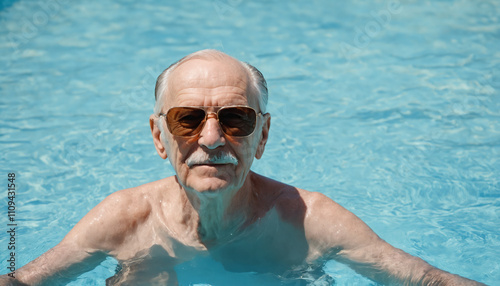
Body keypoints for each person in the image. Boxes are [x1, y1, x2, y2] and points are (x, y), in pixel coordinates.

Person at [1, 49, 485, 286]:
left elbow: (426, 281)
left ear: (263, 134)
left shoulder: (308, 222)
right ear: (158, 136)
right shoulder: (122, 219)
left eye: (235, 119)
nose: (211, 139)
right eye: (187, 119)